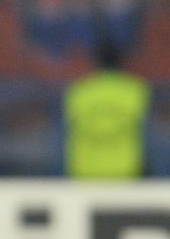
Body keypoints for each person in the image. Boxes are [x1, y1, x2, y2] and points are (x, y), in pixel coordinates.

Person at [63, 38, 150, 178]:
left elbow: (66, 128)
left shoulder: (78, 91)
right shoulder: (135, 90)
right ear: (122, 61)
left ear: (95, 62)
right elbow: (147, 130)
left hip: (85, 170)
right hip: (125, 169)